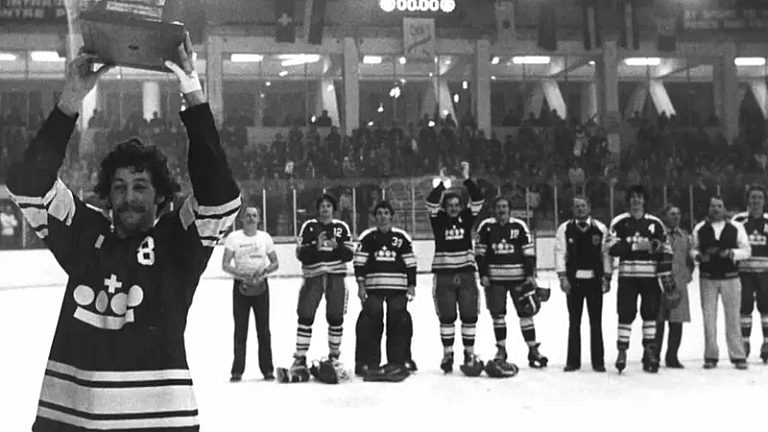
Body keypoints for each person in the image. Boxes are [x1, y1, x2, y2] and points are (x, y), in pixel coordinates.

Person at [7, 35, 241, 431]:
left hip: (160, 419)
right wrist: (70, 99)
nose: (128, 197)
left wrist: (193, 95)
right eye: (118, 187)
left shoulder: (178, 240)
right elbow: (28, 185)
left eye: (140, 186)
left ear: (161, 196)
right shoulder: (86, 233)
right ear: (107, 195)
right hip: (74, 416)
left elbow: (220, 199)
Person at [606, 185, 674, 373]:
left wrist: (665, 272)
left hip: (650, 278)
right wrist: (638, 247)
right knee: (626, 314)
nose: (636, 200)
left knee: (650, 314)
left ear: (644, 200)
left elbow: (667, 249)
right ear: (628, 200)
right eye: (633, 197)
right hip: (628, 276)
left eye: (639, 197)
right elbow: (612, 248)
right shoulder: (619, 222)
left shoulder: (655, 223)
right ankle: (622, 351)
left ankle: (650, 351)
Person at [476, 196, 548, 371]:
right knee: (498, 315)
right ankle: (501, 349)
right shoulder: (486, 226)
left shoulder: (519, 226)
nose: (502, 210)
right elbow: (480, 253)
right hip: (495, 279)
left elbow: (528, 252)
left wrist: (530, 275)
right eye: (499, 206)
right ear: (494, 209)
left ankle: (533, 348)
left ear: (510, 209)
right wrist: (483, 274)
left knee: (526, 313)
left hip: (518, 278)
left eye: (505, 206)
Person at [425, 162, 485, 373]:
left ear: (460, 207)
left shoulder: (467, 218)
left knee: (469, 315)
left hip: (466, 271)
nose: (452, 207)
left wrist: (467, 178)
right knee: (447, 316)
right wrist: (442, 184)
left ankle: (469, 352)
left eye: (456, 205)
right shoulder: (438, 220)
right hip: (444, 273)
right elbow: (431, 202)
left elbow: (478, 199)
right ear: (445, 207)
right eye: (449, 204)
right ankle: (447, 354)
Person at [289, 194, 354, 375]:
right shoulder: (309, 227)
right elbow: (300, 254)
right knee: (305, 315)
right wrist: (315, 247)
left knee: (335, 317)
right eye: (322, 206)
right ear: (318, 209)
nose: (325, 209)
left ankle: (334, 356)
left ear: (333, 209)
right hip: (313, 277)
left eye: (328, 206)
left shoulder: (342, 227)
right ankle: (300, 356)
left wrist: (336, 247)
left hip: (336, 277)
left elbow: (349, 254)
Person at [354, 201, 416, 382]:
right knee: (370, 321)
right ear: (375, 217)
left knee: (399, 321)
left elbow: (410, 263)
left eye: (386, 213)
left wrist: (411, 285)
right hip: (374, 288)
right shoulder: (367, 237)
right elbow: (359, 263)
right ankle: (368, 362)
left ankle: (400, 360)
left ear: (391, 216)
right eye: (379, 213)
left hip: (398, 289)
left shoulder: (402, 237)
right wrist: (361, 286)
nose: (383, 216)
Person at [692, 195, 751, 369]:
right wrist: (698, 256)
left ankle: (738, 355)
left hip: (731, 277)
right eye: (712, 206)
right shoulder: (700, 228)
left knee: (733, 318)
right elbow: (693, 249)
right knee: (709, 318)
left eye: (719, 206)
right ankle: (710, 355)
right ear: (708, 209)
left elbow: (747, 250)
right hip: (708, 278)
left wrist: (732, 253)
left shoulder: (736, 227)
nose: (716, 209)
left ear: (724, 209)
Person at [554, 196, 611, 372]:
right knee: (574, 322)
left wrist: (607, 277)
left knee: (596, 322)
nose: (580, 209)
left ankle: (598, 361)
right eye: (576, 206)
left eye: (583, 205)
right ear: (572, 209)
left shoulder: (600, 228)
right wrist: (562, 277)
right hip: (573, 282)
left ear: (589, 207)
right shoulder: (565, 228)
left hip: (594, 281)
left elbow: (606, 254)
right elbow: (559, 253)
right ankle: (573, 361)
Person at [222, 206, 279, 382]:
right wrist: (243, 276)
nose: (251, 218)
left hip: (261, 287)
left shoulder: (265, 238)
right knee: (240, 330)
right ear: (242, 219)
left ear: (259, 219)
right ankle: (237, 370)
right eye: (248, 216)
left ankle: (267, 369)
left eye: (254, 216)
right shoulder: (233, 238)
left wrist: (262, 273)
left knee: (263, 330)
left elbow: (275, 262)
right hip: (241, 287)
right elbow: (225, 264)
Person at [731, 184, 768, 362]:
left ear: (764, 200)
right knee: (744, 307)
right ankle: (743, 343)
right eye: (753, 197)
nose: (756, 201)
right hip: (744, 272)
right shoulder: (738, 221)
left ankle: (767, 343)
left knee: (766, 308)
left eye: (759, 197)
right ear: (748, 199)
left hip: (765, 272)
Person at [655, 204, 694, 368]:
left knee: (677, 322)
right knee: (658, 321)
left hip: (678, 284)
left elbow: (689, 259)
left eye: (678, 213)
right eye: (672, 214)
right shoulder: (658, 235)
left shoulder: (684, 236)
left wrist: (686, 276)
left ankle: (672, 356)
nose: (676, 217)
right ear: (664, 216)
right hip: (659, 283)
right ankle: (653, 355)